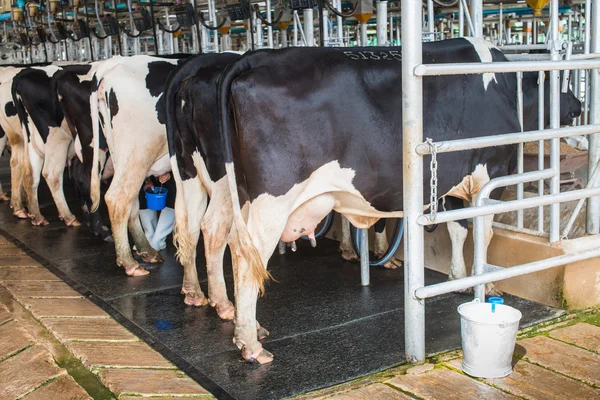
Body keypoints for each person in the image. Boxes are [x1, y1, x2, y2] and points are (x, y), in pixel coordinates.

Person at [138, 172, 176, 251]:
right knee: (143, 192)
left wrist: (170, 174)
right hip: (149, 174)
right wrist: (147, 180)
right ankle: (149, 236)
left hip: (172, 173)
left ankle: (158, 240)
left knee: (173, 193)